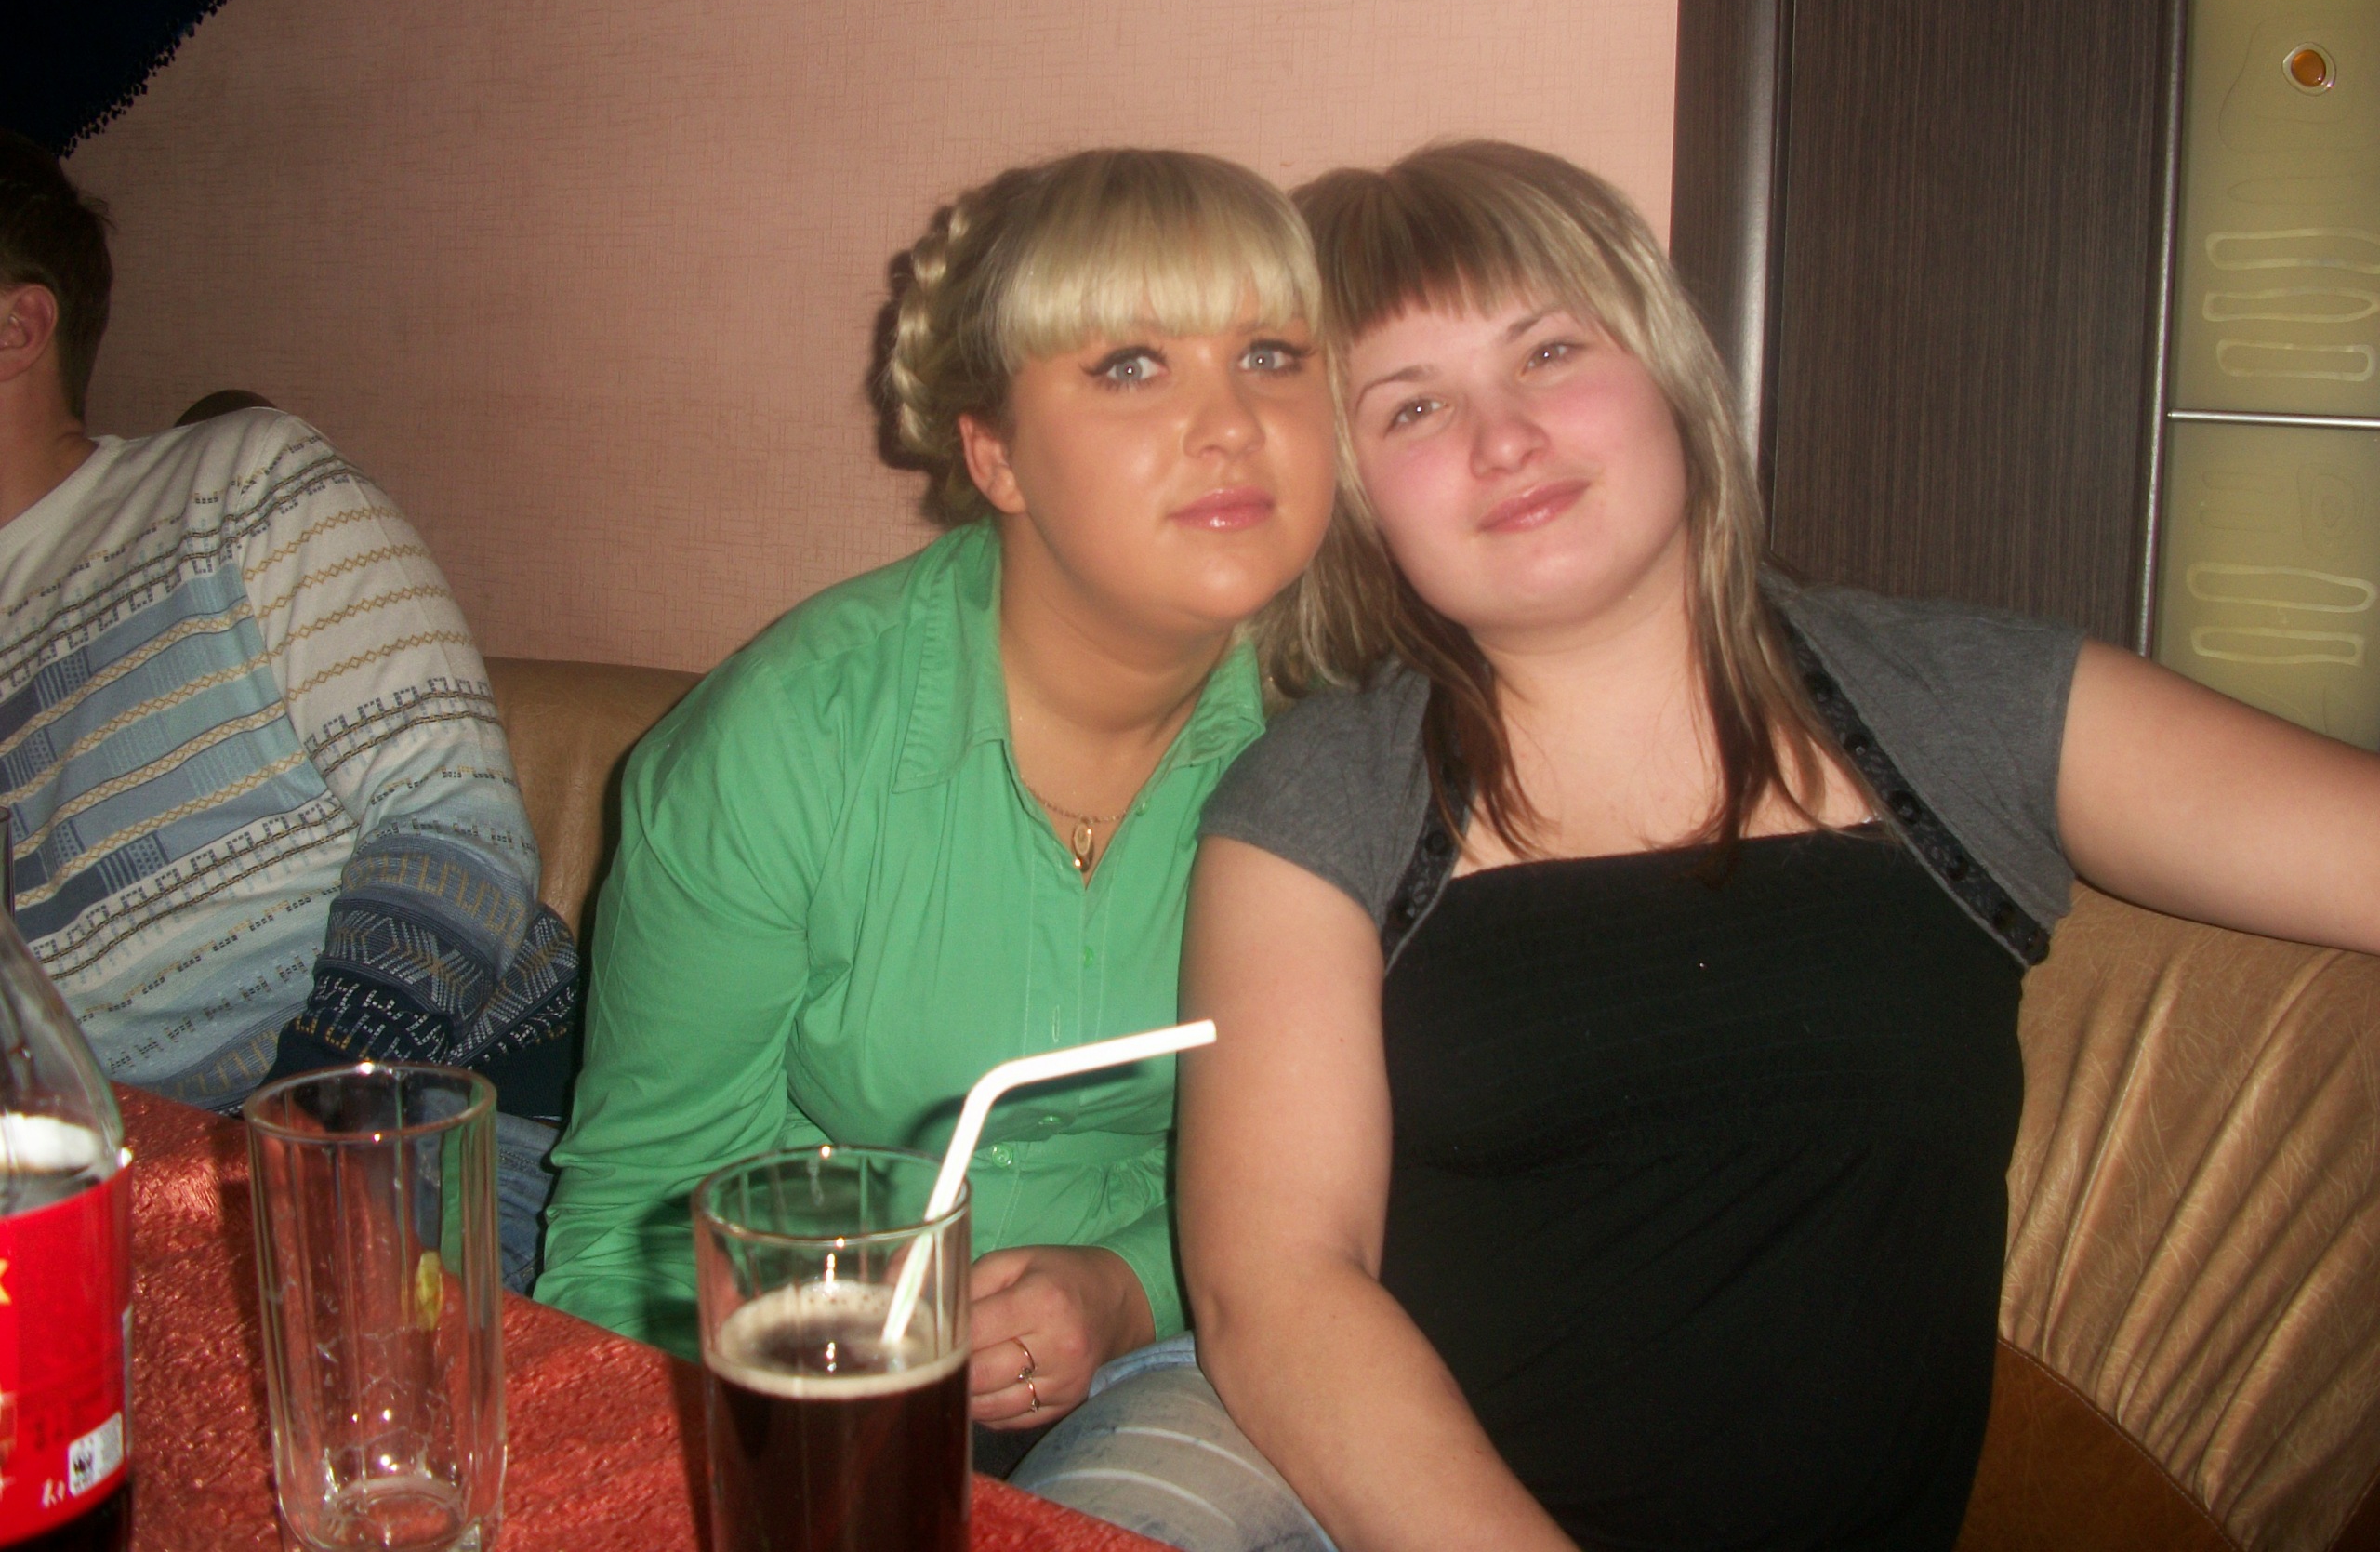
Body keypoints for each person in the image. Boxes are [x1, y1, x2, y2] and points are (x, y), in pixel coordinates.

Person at [1028, 139, 2380, 1552]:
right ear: (1352, 490)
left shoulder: (1963, 708)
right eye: (1412, 406)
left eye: (1548, 351)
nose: (1504, 438)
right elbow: (1279, 1289)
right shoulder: (1318, 795)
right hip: (1324, 1503)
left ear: (1667, 369)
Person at [533, 148, 1336, 1467]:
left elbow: (1352, 1197)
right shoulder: (783, 744)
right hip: (813, 1357)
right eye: (1132, 364)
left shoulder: (1356, 746)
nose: (1233, 423)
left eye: (1271, 355)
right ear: (994, 454)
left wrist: (1127, 1288)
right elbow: (639, 1229)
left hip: (1210, 1338)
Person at [0, 131, 581, 1291]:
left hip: (426, 1125)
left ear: (18, 328)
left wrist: (301, 1138)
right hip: (94, 1189)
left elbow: (454, 831)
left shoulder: (238, 487)